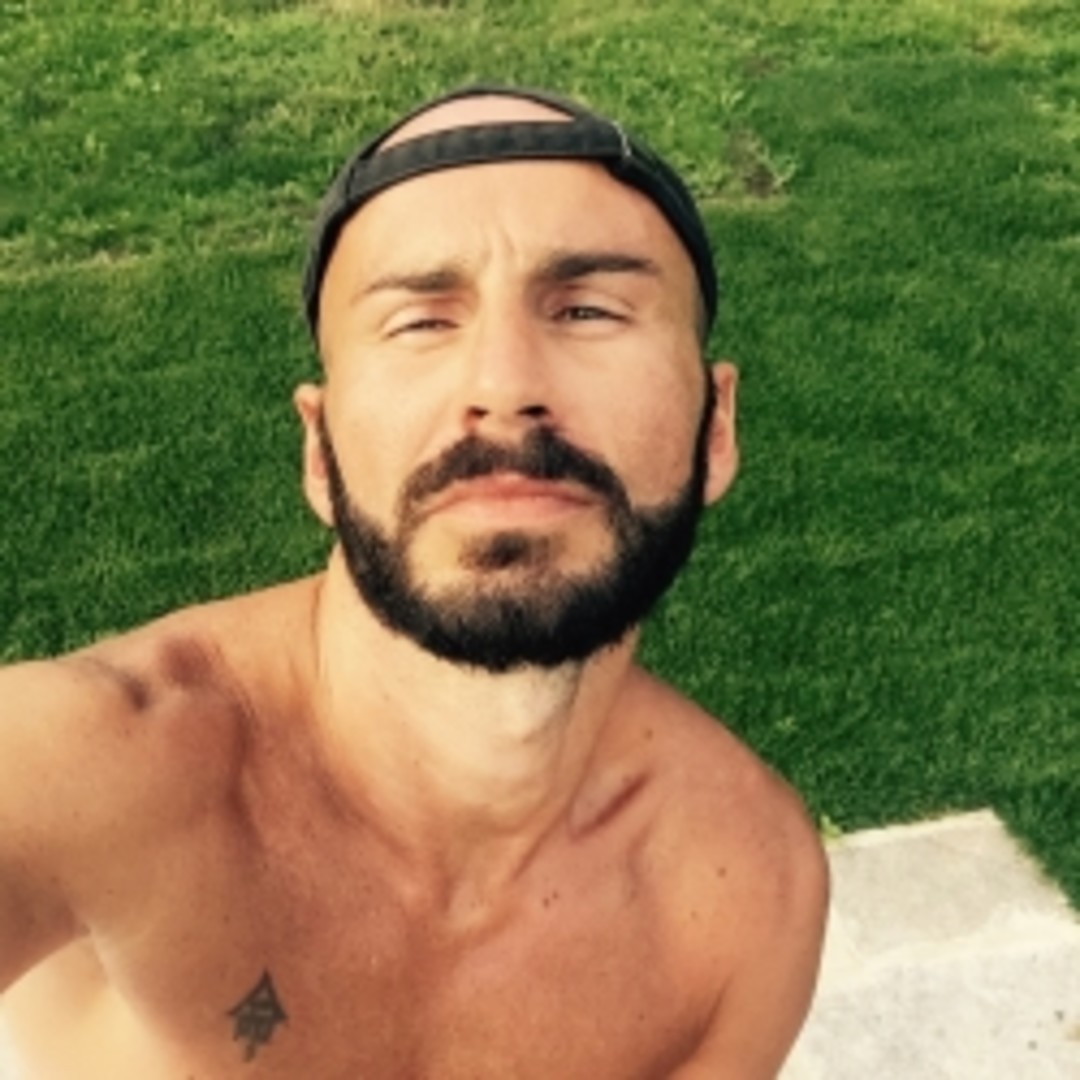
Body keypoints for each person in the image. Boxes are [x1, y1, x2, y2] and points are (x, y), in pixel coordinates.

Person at [0, 84, 828, 1079]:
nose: (504, 387)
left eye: (588, 309)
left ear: (717, 427)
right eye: (422, 323)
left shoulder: (748, 892)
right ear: (319, 451)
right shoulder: (84, 765)